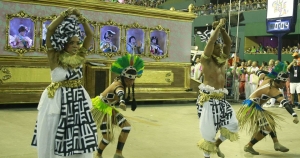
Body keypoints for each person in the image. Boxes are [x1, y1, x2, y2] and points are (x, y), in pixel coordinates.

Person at [31, 8, 98, 158]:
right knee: (56, 127)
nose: (76, 45)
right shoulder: (55, 56)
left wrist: (80, 16)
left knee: (79, 130)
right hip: (59, 99)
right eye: (71, 42)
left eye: (77, 42)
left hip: (78, 98)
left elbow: (90, 34)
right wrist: (65, 14)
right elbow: (50, 30)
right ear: (63, 43)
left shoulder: (80, 56)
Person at [196, 18, 239, 158]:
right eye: (217, 46)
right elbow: (211, 42)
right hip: (208, 100)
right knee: (208, 133)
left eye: (220, 46)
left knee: (232, 124)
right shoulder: (206, 60)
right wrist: (217, 27)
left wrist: (222, 30)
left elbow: (228, 43)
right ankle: (206, 156)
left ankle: (216, 145)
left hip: (221, 99)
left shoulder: (223, 60)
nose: (220, 47)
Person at [237, 62, 299, 155]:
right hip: (251, 107)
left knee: (271, 121)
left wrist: (268, 73)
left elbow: (258, 71)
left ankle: (276, 143)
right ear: (277, 80)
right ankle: (249, 146)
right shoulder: (273, 91)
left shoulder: (267, 78)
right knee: (267, 128)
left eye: (285, 82)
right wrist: (294, 115)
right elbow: (285, 103)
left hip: (252, 106)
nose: (284, 84)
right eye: (283, 82)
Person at [91, 53, 144, 158]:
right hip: (102, 109)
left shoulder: (119, 81)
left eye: (133, 79)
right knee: (107, 137)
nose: (131, 82)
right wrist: (122, 102)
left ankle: (118, 153)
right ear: (124, 78)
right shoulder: (119, 85)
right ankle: (98, 155)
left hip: (108, 108)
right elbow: (119, 92)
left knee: (126, 127)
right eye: (129, 79)